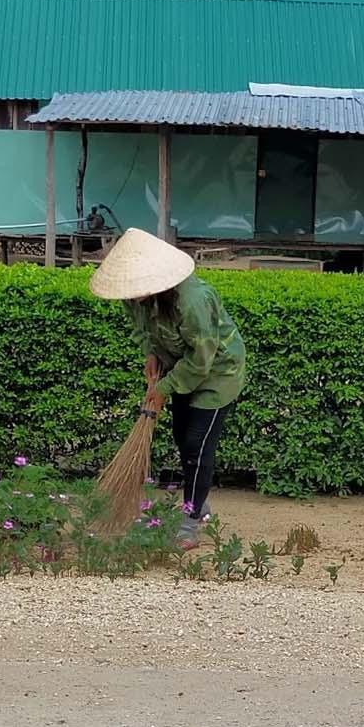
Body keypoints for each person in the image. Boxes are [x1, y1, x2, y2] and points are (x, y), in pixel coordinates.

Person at [89, 227, 247, 549]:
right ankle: (198, 502)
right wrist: (151, 352)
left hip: (217, 372)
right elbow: (143, 330)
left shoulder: (193, 301)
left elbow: (201, 360)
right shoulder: (133, 296)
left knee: (197, 446)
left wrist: (163, 388)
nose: (131, 295)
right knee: (182, 440)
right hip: (179, 367)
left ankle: (190, 523)